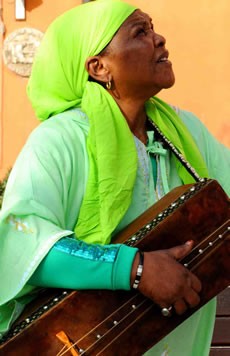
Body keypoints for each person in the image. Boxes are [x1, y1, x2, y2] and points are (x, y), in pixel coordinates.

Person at [0, 0, 229, 354]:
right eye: (141, 32)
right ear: (98, 67)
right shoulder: (61, 140)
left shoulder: (185, 132)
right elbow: (21, 245)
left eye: (153, 28)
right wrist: (135, 270)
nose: (160, 39)